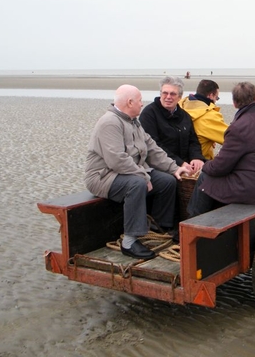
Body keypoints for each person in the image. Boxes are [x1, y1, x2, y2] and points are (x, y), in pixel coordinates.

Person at [84, 84, 190, 260]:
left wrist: (175, 168)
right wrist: (143, 176)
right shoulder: (110, 123)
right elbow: (116, 160)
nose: (142, 104)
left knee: (166, 181)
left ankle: (158, 228)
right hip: (103, 177)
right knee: (137, 184)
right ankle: (130, 241)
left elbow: (152, 148)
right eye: (140, 101)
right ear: (130, 102)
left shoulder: (133, 122)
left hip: (129, 172)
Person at [186, 82, 255, 218]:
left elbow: (220, 167)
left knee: (205, 178)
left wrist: (205, 164)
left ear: (234, 103)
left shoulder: (238, 127)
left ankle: (193, 223)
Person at [140, 76, 205, 174]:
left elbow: (193, 141)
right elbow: (154, 146)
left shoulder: (184, 116)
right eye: (165, 93)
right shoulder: (149, 114)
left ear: (180, 97)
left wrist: (196, 158)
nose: (168, 97)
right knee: (170, 181)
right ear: (160, 94)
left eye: (173, 94)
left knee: (212, 172)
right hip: (161, 164)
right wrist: (180, 163)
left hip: (186, 162)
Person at [180, 79, 229, 160]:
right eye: (217, 98)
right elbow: (233, 137)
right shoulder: (209, 116)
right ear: (210, 95)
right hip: (198, 163)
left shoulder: (180, 105)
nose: (216, 101)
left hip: (177, 160)